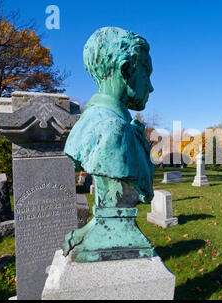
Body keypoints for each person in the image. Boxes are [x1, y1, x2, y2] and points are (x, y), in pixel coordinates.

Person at [62, 27, 156, 262]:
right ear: (126, 70)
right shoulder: (113, 131)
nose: (151, 86)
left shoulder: (98, 122)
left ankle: (100, 219)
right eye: (146, 72)